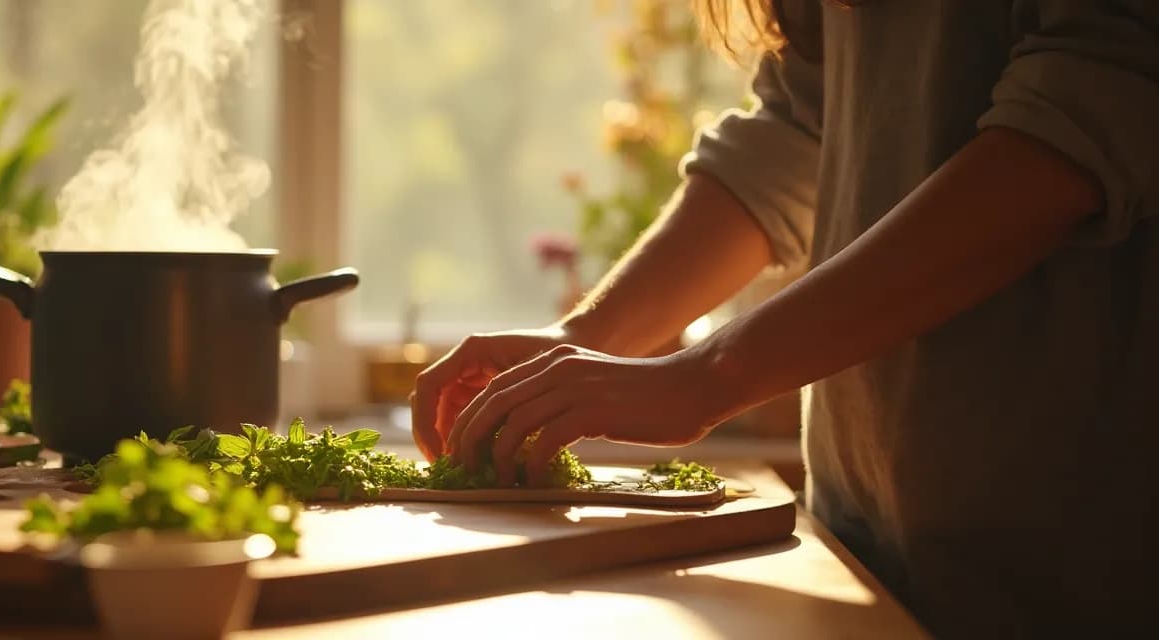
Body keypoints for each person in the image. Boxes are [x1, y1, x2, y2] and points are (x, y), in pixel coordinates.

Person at [410, 0, 1159, 636]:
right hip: (868, 547)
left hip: (1075, 572)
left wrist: (705, 377)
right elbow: (801, 127)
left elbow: (1080, 121)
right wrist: (583, 338)